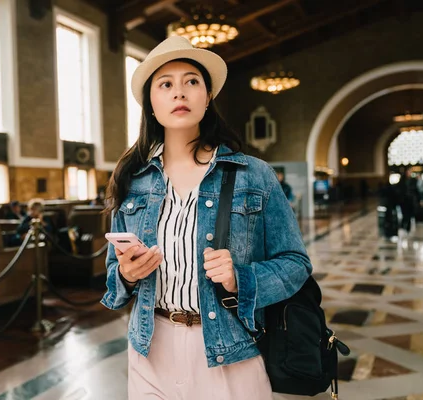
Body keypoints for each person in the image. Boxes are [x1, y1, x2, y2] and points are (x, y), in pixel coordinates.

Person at [100, 36, 312, 399]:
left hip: (231, 351)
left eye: (191, 82)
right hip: (149, 349)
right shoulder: (132, 181)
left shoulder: (253, 175)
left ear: (207, 97)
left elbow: (296, 263)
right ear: (151, 102)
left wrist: (241, 279)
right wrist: (126, 274)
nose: (179, 93)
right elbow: (112, 276)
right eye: (166, 84)